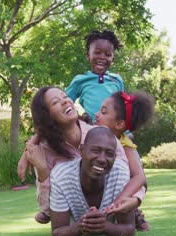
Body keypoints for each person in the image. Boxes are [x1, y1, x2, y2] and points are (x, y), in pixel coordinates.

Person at [21, 86, 128, 224]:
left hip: (114, 214)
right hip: (74, 221)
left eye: (65, 97)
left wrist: (133, 201)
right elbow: (49, 210)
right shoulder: (44, 151)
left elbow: (127, 176)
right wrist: (42, 169)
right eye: (55, 102)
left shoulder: (102, 135)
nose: (65, 102)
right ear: (46, 115)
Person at [50, 126, 135, 236]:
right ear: (82, 150)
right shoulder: (61, 175)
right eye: (95, 151)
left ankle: (137, 214)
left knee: (134, 214)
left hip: (112, 220)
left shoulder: (120, 172)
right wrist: (79, 227)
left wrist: (105, 226)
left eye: (109, 154)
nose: (102, 159)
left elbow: (129, 227)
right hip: (74, 222)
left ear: (115, 157)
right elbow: (57, 230)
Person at [94, 90, 155, 231]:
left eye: (103, 112)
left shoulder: (125, 146)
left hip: (118, 191)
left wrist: (118, 201)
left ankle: (131, 211)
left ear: (119, 124)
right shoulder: (90, 135)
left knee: (135, 185)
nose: (96, 114)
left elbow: (140, 177)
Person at [65, 30, 124, 123]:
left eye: (108, 54)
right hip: (91, 132)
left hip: (115, 133)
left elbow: (123, 108)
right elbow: (65, 104)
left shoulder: (117, 80)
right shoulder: (80, 80)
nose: (102, 57)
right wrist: (80, 117)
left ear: (113, 60)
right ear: (88, 55)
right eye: (97, 52)